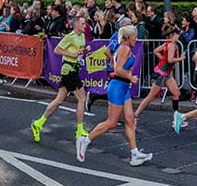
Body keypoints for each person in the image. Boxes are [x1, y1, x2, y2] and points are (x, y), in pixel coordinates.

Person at [77, 25, 151, 166]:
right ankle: (85, 140)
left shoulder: (124, 48)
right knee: (111, 122)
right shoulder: (125, 48)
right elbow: (118, 70)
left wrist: (128, 78)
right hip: (117, 86)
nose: (137, 38)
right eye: (135, 36)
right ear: (128, 38)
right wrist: (130, 77)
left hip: (123, 87)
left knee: (130, 119)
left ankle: (134, 154)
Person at [32, 15, 90, 144]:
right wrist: (71, 55)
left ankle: (38, 123)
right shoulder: (70, 36)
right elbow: (57, 50)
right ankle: (80, 129)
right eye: (82, 23)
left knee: (59, 100)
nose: (84, 25)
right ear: (75, 25)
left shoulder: (82, 36)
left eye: (84, 23)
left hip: (74, 69)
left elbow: (78, 52)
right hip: (69, 69)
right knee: (82, 98)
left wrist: (85, 51)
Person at [134, 21, 182, 120]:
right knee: (150, 97)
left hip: (165, 72)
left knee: (176, 93)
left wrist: (162, 60)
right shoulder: (171, 45)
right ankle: (135, 115)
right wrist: (180, 59)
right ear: (173, 35)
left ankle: (176, 118)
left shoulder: (166, 44)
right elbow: (170, 60)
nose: (178, 36)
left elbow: (156, 51)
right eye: (177, 34)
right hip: (162, 74)